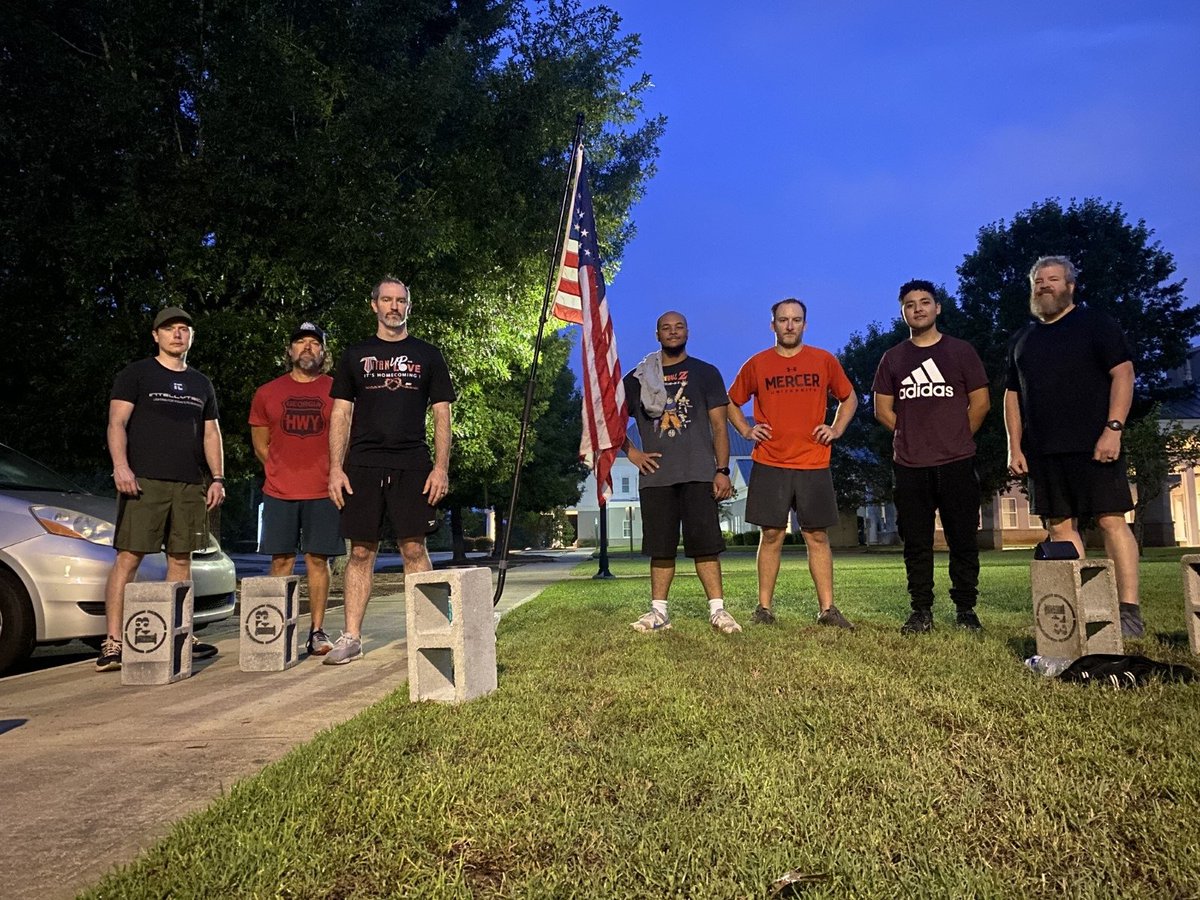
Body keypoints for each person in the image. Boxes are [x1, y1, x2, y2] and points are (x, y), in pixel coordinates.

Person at [1005, 256, 1145, 637]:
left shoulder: (1096, 325)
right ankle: (1086, 608)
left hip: (1095, 445)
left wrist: (1113, 428)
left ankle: (1128, 611)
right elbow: (1012, 396)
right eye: (1038, 280)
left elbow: (1124, 373)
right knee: (1060, 528)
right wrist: (1014, 446)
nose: (1044, 286)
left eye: (1052, 279)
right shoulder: (1023, 339)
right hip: (1043, 451)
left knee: (1111, 521)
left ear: (1070, 286)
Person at [326, 277, 455, 664]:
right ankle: (351, 637)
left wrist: (440, 467)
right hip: (362, 464)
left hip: (412, 462)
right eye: (387, 300)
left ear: (409, 307)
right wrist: (335, 468)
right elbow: (340, 413)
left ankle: (431, 632)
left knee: (414, 548)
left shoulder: (428, 355)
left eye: (401, 300)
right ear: (374, 306)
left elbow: (442, 414)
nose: (394, 306)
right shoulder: (355, 355)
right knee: (361, 552)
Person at [97, 307, 225, 671]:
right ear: (156, 335)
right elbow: (116, 423)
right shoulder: (136, 374)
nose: (178, 334)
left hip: (189, 484)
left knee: (182, 559)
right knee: (129, 557)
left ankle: (179, 633)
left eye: (184, 329)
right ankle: (113, 642)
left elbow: (212, 432)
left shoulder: (201, 383)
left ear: (191, 337)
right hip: (144, 481)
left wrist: (217, 478)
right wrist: (121, 467)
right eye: (170, 329)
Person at [727, 299, 859, 628]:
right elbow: (729, 401)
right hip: (771, 461)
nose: (789, 325)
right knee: (771, 535)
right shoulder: (757, 364)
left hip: (814, 461)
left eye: (796, 320)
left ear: (804, 324)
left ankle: (827, 610)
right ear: (772, 325)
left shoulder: (823, 360)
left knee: (817, 536)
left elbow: (849, 396)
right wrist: (745, 429)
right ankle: (764, 609)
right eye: (783, 320)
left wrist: (836, 428)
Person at [872, 280, 991, 634]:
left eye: (925, 302)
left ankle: (966, 610)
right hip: (910, 465)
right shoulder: (893, 358)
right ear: (903, 312)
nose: (918, 308)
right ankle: (921, 610)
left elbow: (981, 403)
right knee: (917, 543)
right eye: (910, 304)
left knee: (963, 540)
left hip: (956, 461)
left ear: (937, 308)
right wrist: (912, 436)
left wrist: (954, 437)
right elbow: (882, 409)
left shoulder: (961, 352)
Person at [623, 311, 741, 634]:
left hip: (699, 474)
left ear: (688, 331)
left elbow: (720, 426)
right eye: (666, 328)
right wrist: (633, 454)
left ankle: (718, 611)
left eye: (678, 327)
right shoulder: (638, 378)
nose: (673, 332)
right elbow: (608, 420)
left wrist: (722, 470)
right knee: (661, 548)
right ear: (657, 334)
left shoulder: (706, 373)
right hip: (656, 476)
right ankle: (659, 612)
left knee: (705, 545)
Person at [249, 322, 344, 656]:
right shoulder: (267, 393)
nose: (307, 347)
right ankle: (277, 628)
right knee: (281, 561)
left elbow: (346, 438)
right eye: (300, 342)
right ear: (289, 351)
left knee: (319, 561)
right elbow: (261, 444)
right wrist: (282, 470)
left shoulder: (338, 391)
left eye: (315, 343)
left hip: (324, 490)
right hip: (279, 491)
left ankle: (317, 631)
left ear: (323, 352)